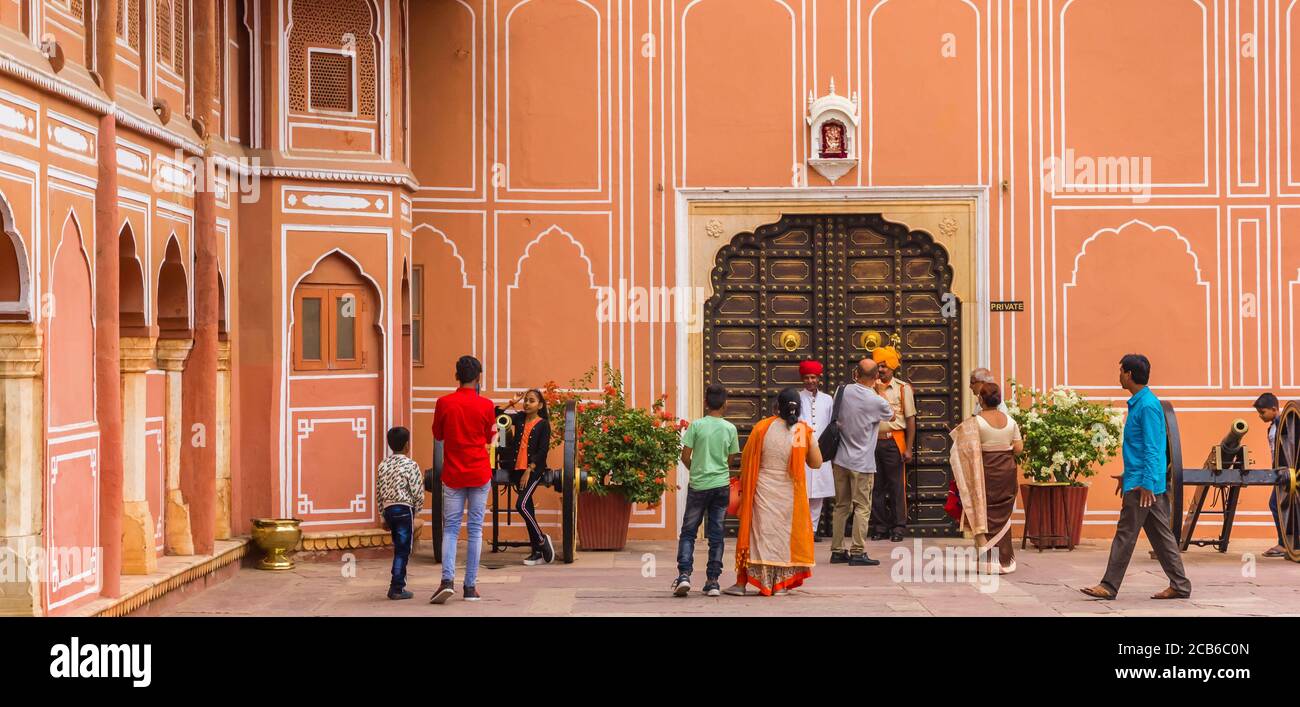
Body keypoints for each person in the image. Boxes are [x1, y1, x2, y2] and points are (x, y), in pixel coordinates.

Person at [1081, 354, 1191, 600]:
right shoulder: (1141, 403)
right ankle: (1181, 585)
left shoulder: (1147, 405)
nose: (1118, 375)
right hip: (1142, 480)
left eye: (1121, 371)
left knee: (1125, 534)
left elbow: (1154, 447)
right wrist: (1126, 474)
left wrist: (1147, 484)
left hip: (1144, 486)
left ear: (1129, 374)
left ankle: (1109, 585)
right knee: (1161, 537)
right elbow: (1142, 449)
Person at [723, 388, 822, 596]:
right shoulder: (802, 432)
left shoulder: (762, 428)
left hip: (762, 490)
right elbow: (816, 463)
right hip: (790, 494)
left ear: (777, 406)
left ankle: (743, 584)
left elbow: (748, 460)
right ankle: (780, 585)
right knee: (783, 538)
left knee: (760, 536)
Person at [430, 355, 496, 604]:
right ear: (478, 377)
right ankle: (470, 586)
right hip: (479, 472)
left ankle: (447, 580)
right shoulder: (486, 405)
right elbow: (490, 437)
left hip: (454, 473)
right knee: (476, 529)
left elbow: (438, 434)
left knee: (451, 529)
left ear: (456, 375)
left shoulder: (444, 403)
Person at [673, 384, 741, 597]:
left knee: (688, 532)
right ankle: (713, 581)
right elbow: (731, 459)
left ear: (705, 403)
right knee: (716, 534)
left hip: (698, 486)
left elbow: (684, 456)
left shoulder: (696, 426)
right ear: (725, 404)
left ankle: (684, 575)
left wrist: (697, 470)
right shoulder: (730, 429)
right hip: (720, 486)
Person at [948, 384, 1021, 573]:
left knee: (985, 510)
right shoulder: (1011, 421)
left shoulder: (975, 423)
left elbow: (961, 449)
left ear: (980, 399)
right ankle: (1005, 560)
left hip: (985, 471)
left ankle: (989, 560)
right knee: (1003, 513)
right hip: (1007, 471)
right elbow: (1018, 448)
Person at [830, 358, 895, 566]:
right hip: (862, 462)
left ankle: (838, 550)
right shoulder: (876, 400)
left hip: (840, 458)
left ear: (855, 374)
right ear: (876, 377)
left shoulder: (842, 391)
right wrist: (880, 390)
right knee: (862, 507)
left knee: (841, 506)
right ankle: (857, 550)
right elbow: (892, 416)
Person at [502, 388, 556, 566]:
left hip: (533, 471)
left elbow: (542, 450)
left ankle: (541, 539)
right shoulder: (519, 418)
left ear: (540, 405)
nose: (526, 403)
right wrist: (513, 402)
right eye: (526, 400)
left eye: (531, 400)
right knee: (529, 509)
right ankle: (537, 552)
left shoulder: (543, 424)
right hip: (517, 470)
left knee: (522, 505)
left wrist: (529, 469)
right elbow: (497, 416)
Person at [869, 346, 915, 542]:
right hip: (873, 442)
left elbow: (911, 419)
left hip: (894, 440)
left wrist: (909, 447)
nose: (880, 370)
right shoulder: (869, 389)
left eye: (884, 367)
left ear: (893, 368)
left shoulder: (903, 389)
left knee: (897, 486)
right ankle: (879, 527)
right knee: (876, 487)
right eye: (878, 366)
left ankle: (898, 527)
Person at [376, 426, 424, 600]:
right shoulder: (411, 465)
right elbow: (417, 490)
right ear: (406, 445)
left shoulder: (383, 465)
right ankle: (396, 587)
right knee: (403, 550)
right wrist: (417, 510)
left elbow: (379, 491)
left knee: (398, 548)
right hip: (404, 510)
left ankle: (396, 585)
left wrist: (382, 515)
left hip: (389, 509)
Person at [1253, 393, 1297, 558]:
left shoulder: (1284, 425)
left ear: (1274, 409)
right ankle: (1286, 543)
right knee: (1280, 505)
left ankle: (1284, 543)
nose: (1260, 416)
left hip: (1289, 472)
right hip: (1281, 473)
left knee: (1275, 504)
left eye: (1262, 412)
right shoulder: (1272, 427)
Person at [797, 360, 835, 540]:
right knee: (803, 492)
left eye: (813, 377)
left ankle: (812, 530)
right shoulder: (797, 398)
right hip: (802, 450)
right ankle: (802, 529)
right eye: (806, 378)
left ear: (818, 378)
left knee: (818, 493)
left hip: (822, 450)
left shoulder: (828, 399)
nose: (810, 381)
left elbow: (832, 425)